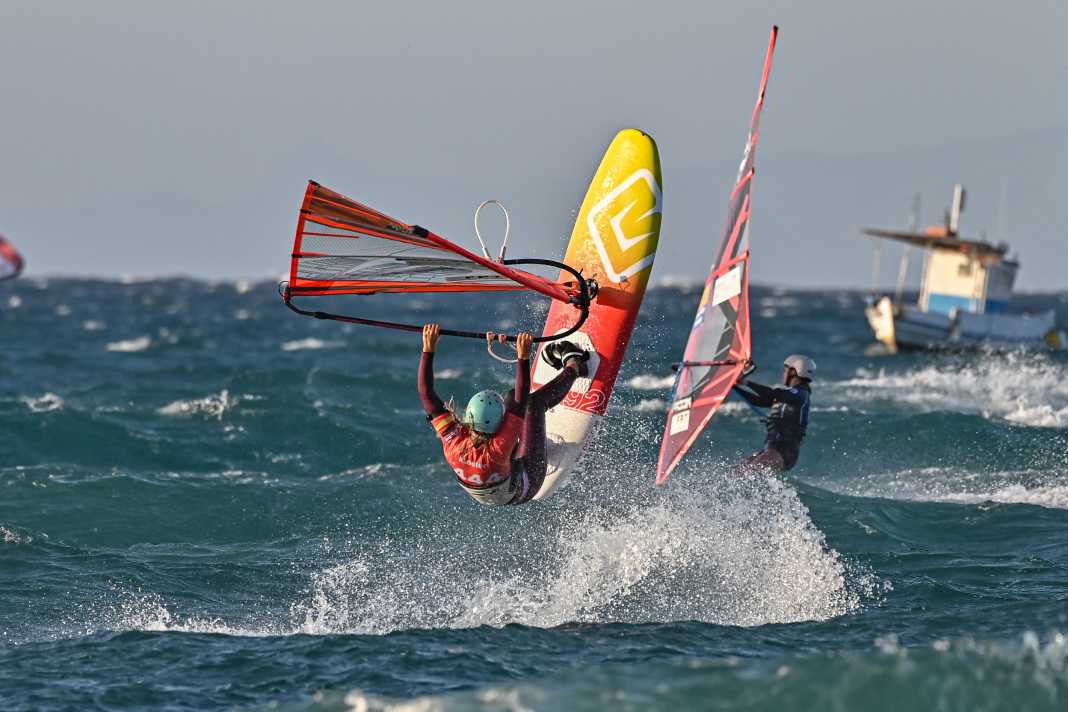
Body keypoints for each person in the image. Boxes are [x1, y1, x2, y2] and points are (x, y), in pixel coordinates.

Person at [417, 323, 589, 506]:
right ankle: (576, 366)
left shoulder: (454, 441)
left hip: (498, 482)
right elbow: (523, 400)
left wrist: (428, 348)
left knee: (510, 398)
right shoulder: (499, 447)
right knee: (533, 404)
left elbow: (426, 394)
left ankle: (532, 442)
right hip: (527, 482)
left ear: (470, 418)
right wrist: (523, 358)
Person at [732, 354, 815, 474]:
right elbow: (758, 401)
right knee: (738, 472)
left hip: (784, 450)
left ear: (793, 372)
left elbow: (772, 394)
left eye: (785, 370)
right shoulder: (789, 395)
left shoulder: (801, 393)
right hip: (771, 448)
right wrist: (734, 387)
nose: (783, 374)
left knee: (751, 472)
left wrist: (746, 383)